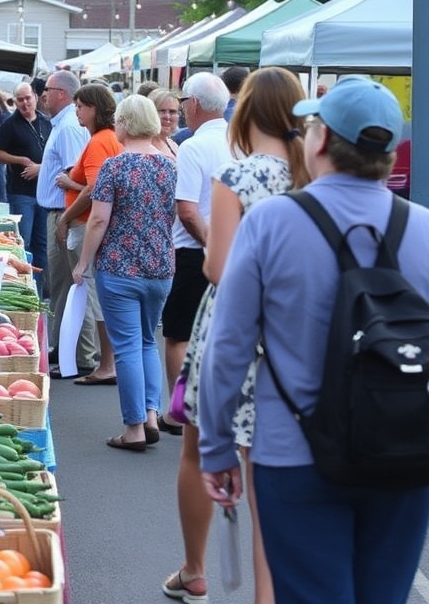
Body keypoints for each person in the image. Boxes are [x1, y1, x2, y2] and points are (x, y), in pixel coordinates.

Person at [199, 76, 429, 604]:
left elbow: (228, 348)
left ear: (320, 140)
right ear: (389, 152)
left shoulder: (274, 223)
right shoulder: (422, 227)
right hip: (403, 454)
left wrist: (216, 449)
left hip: (294, 452)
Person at [164, 67, 309, 604]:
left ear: (245, 111)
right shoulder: (310, 178)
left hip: (231, 324)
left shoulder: (240, 177)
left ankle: (196, 569)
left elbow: (218, 267)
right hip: (291, 330)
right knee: (268, 472)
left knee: (199, 450)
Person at [71, 94, 177, 451]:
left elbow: (99, 220)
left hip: (120, 267)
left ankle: (133, 429)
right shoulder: (171, 166)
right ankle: (150, 414)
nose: (114, 124)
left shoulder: (115, 167)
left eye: (118, 119)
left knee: (127, 345)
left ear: (127, 124)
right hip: (160, 267)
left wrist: (83, 262)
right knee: (148, 341)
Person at [159, 72, 230, 435]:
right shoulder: (239, 140)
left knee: (179, 334)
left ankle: (178, 411)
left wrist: (210, 245)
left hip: (194, 251)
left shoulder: (193, 146)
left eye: (183, 101)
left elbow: (187, 211)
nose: (182, 109)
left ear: (195, 104)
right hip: (235, 250)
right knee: (219, 334)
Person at [56, 82, 121, 383]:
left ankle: (104, 365)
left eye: (81, 106)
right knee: (94, 295)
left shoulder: (98, 142)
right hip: (89, 223)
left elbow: (96, 188)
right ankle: (101, 362)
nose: (77, 111)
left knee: (92, 295)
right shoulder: (106, 138)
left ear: (95, 108)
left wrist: (66, 216)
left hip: (86, 225)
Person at [35, 70, 91, 359]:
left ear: (61, 93)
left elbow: (75, 179)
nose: (42, 94)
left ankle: (75, 354)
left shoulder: (68, 127)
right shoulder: (63, 124)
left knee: (66, 284)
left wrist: (65, 219)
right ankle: (67, 349)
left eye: (47, 89)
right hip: (61, 214)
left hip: (63, 214)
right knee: (62, 285)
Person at [0, 82, 52, 294]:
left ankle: (41, 290)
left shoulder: (47, 122)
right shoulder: (10, 124)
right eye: (20, 99)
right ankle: (25, 289)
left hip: (45, 194)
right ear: (15, 102)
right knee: (23, 244)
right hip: (21, 193)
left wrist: (41, 168)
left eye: (28, 98)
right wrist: (19, 160)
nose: (25, 103)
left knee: (42, 245)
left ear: (35, 97)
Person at [148, 88, 180, 160]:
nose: (167, 116)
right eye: (161, 111)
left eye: (172, 112)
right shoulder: (143, 148)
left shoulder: (173, 145)